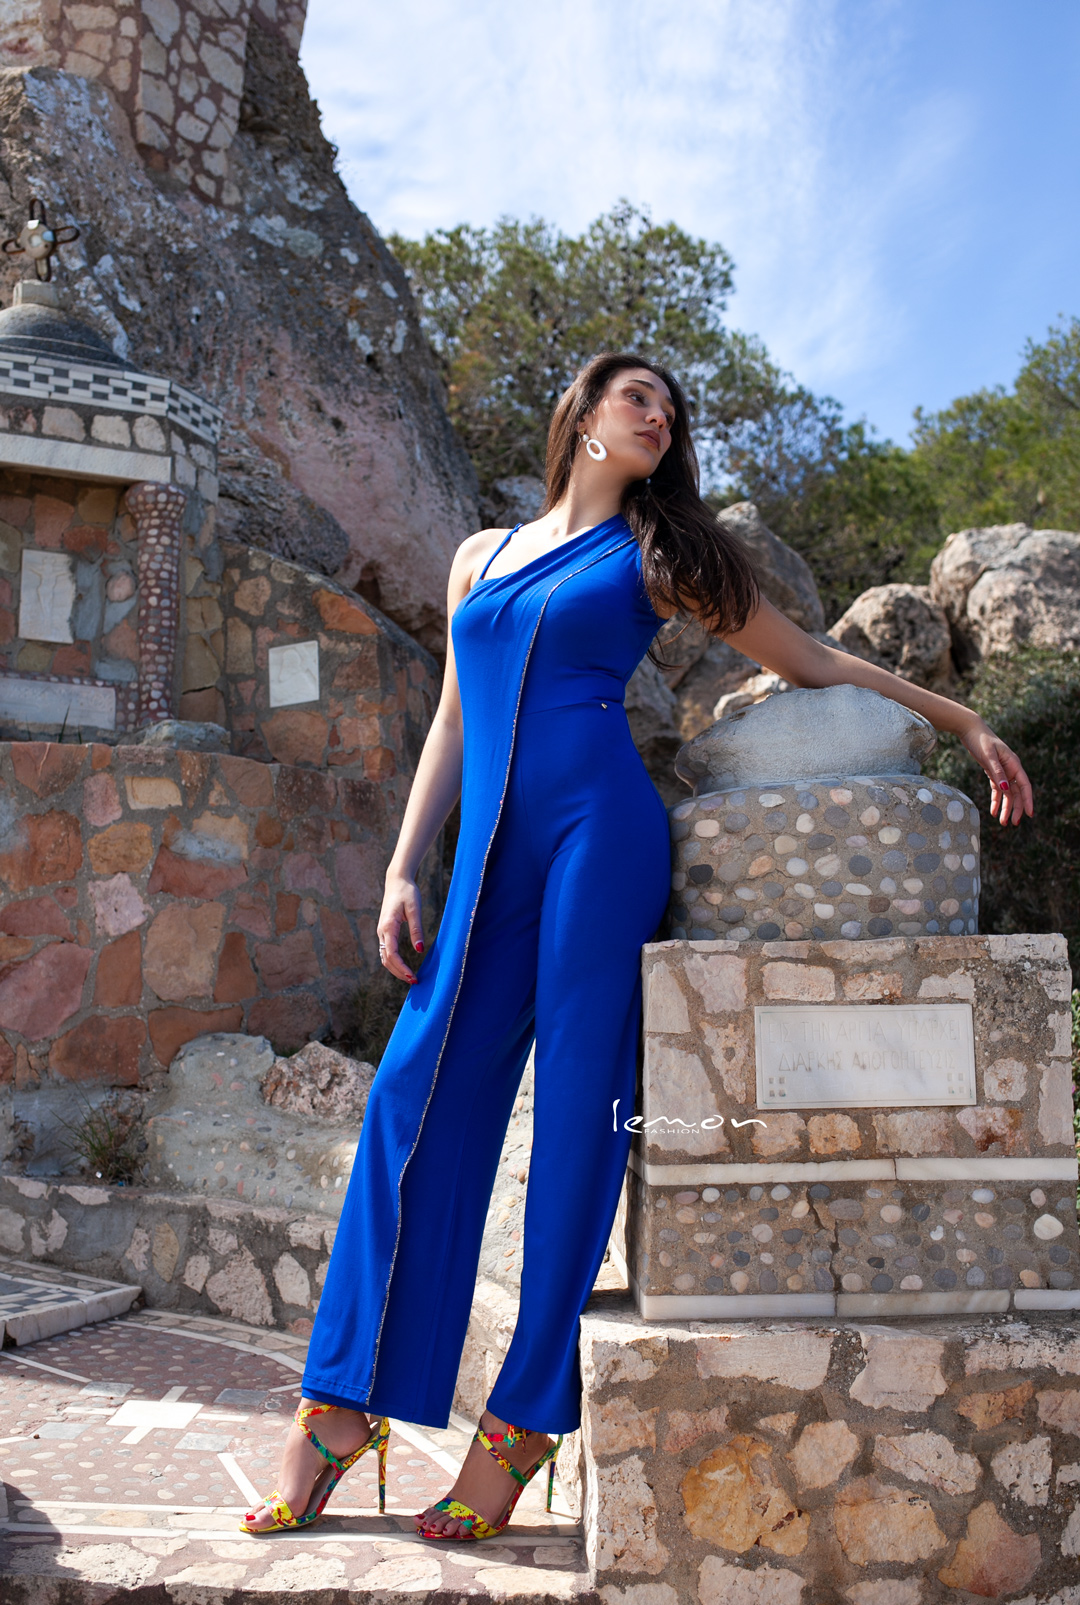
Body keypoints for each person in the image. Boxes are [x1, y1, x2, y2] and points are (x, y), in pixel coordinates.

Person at [241, 352, 1033, 1540]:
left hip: (600, 839)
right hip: (488, 855)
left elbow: (810, 658)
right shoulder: (480, 556)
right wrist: (406, 865)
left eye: (671, 408)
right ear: (583, 415)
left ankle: (521, 1426)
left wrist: (960, 717)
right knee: (413, 1092)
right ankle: (341, 1404)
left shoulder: (660, 554)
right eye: (638, 397)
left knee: (577, 1112)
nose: (660, 415)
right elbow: (456, 716)